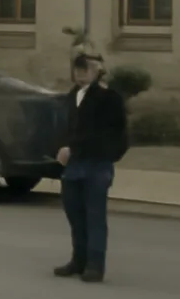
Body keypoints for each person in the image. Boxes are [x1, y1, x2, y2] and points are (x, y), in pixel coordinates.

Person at [54, 51, 129, 283]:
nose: (80, 74)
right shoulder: (73, 95)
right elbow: (66, 127)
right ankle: (79, 260)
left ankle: (95, 264)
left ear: (97, 71)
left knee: (94, 217)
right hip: (73, 166)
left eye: (85, 69)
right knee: (75, 214)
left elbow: (110, 133)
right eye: (77, 69)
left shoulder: (109, 97)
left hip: (97, 164)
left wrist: (76, 148)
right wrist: (61, 147)